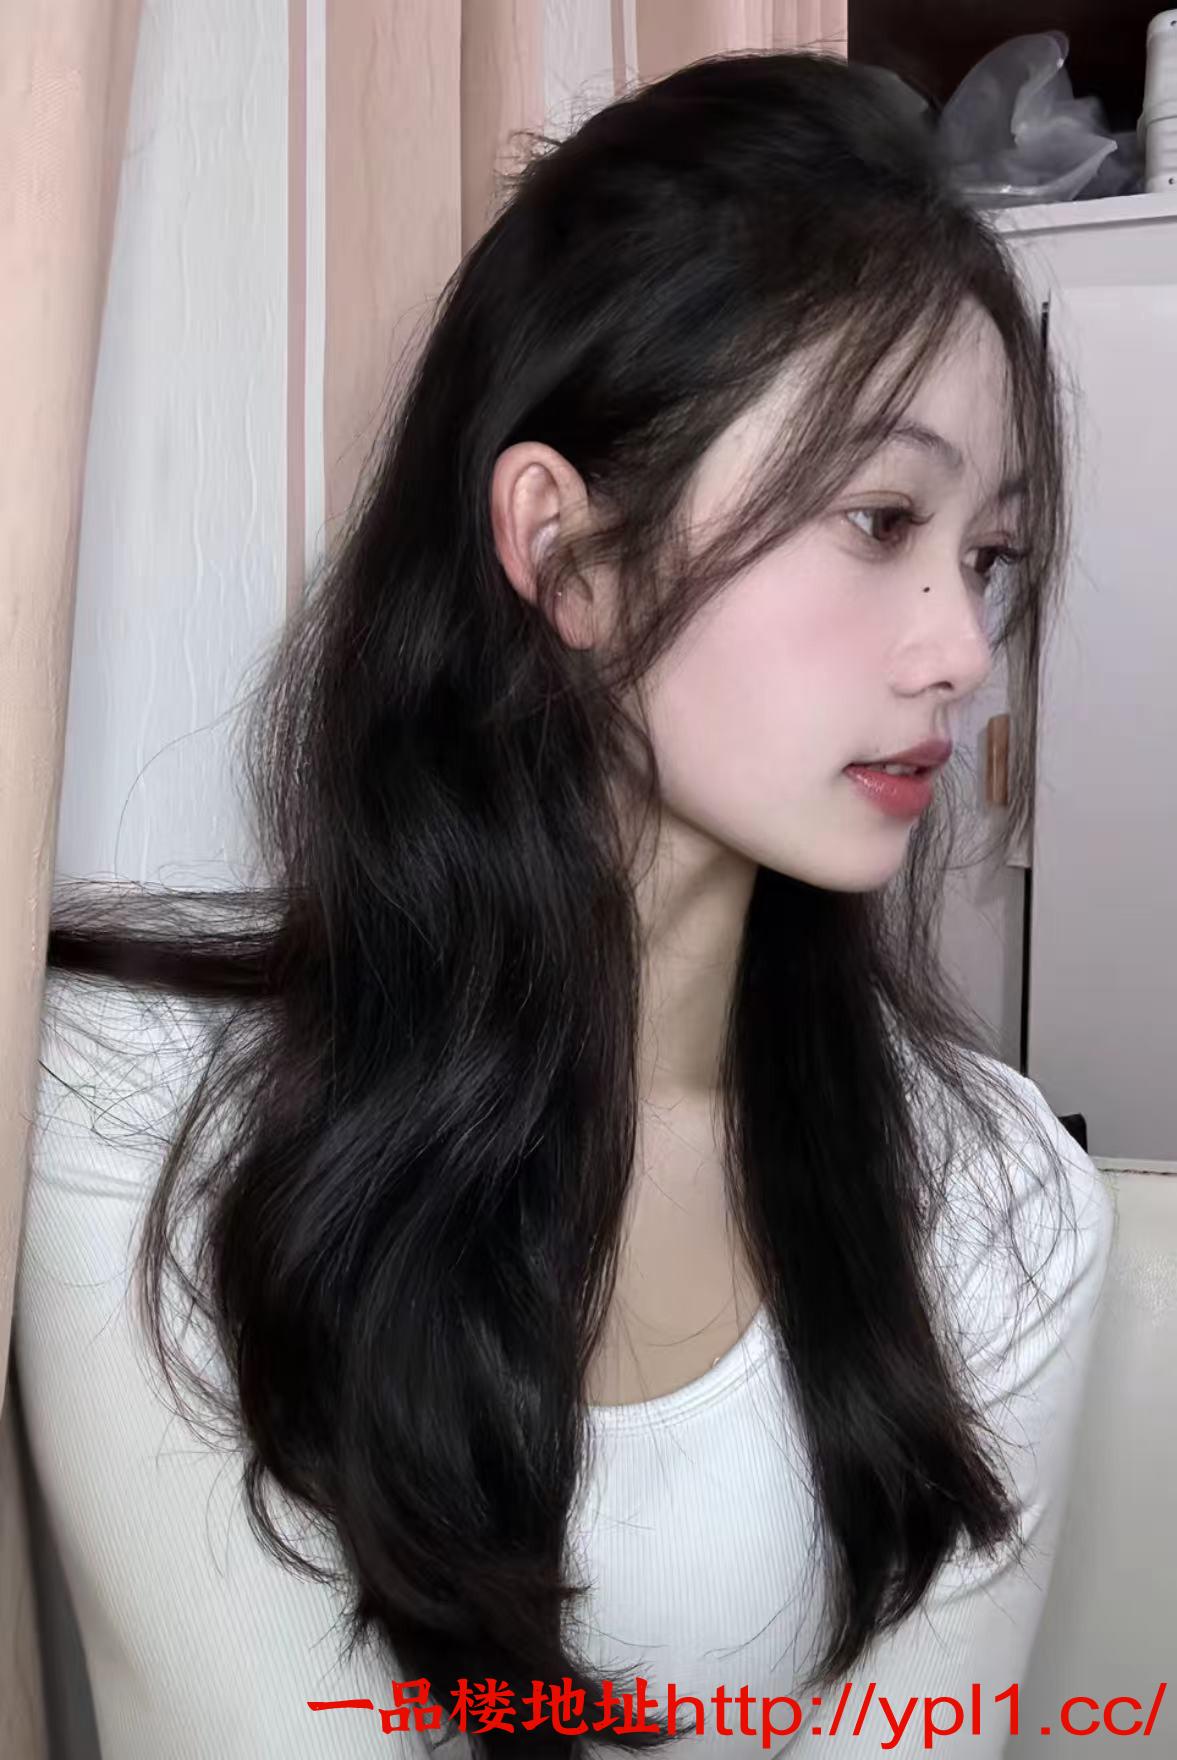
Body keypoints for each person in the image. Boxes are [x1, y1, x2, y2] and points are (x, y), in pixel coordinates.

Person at [14, 49, 1114, 1760]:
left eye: (987, 557)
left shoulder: (998, 1206)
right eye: (879, 518)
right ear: (565, 549)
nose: (962, 649)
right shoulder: (129, 1116)